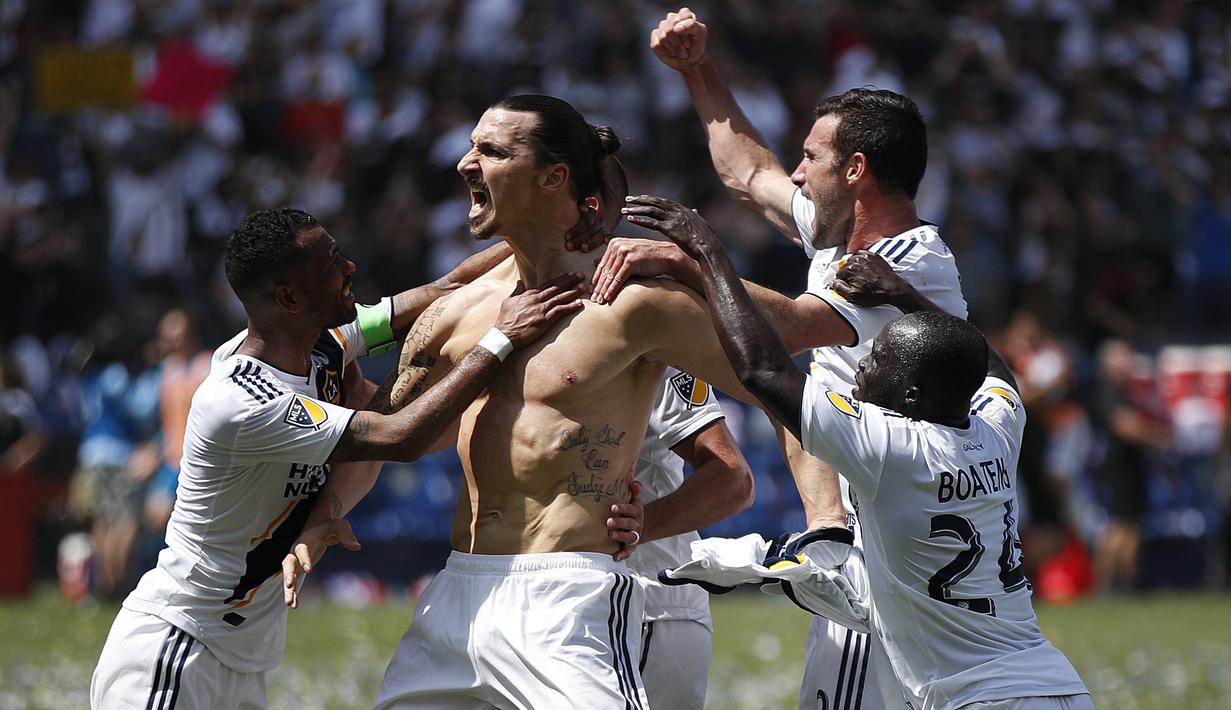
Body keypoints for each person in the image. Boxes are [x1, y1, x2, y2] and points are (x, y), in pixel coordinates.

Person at [284, 94, 836, 710]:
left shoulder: (635, 301)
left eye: (492, 151)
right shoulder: (460, 306)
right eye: (471, 146)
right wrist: (322, 515)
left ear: (554, 178)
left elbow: (785, 388)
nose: (467, 163)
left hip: (567, 603)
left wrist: (827, 523)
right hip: (453, 597)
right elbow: (392, 433)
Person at [589, 8, 971, 707]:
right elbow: (745, 171)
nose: (794, 175)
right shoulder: (836, 242)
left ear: (855, 171)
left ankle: (827, 535)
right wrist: (695, 70)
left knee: (798, 378)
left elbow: (791, 331)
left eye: (811, 159)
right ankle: (822, 533)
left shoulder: (906, 260)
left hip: (887, 539)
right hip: (880, 530)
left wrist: (690, 258)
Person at [90, 207, 585, 709]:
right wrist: (501, 339)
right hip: (177, 648)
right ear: (289, 297)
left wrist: (551, 234)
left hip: (237, 658)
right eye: (331, 262)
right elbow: (400, 437)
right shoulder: (242, 399)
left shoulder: (322, 345)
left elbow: (444, 289)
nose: (350, 268)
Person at [626, 195, 1092, 709]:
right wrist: (905, 295)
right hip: (1054, 681)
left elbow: (765, 371)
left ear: (911, 395)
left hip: (978, 699)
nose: (861, 369)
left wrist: (707, 255)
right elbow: (993, 369)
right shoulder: (996, 426)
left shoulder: (891, 448)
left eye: (879, 361)